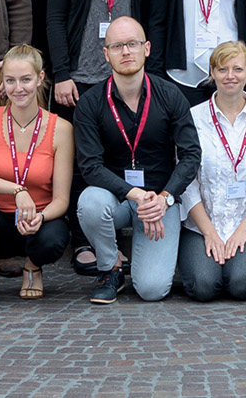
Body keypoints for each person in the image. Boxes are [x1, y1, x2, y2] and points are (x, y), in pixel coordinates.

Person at [73, 18, 200, 303]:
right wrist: (137, 196)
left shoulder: (170, 95)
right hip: (115, 198)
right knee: (90, 202)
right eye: (117, 46)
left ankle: (147, 260)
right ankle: (110, 268)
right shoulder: (91, 103)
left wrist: (165, 198)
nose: (126, 52)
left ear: (147, 49)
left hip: (159, 201)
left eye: (132, 44)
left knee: (152, 290)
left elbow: (191, 155)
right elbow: (90, 166)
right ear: (106, 54)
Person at [0, 45, 76, 309]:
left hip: (37, 223)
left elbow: (61, 199)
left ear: (40, 77)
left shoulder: (62, 129)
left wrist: (41, 217)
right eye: (10, 80)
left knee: (56, 236)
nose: (18, 88)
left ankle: (32, 267)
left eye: (25, 79)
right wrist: (17, 190)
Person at [181, 42, 246, 301]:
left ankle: (245, 264)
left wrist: (242, 231)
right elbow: (187, 183)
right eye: (222, 69)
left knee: (242, 285)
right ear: (212, 73)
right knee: (202, 287)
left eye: (237, 69)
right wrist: (210, 233)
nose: (230, 76)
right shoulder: (192, 118)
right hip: (204, 223)